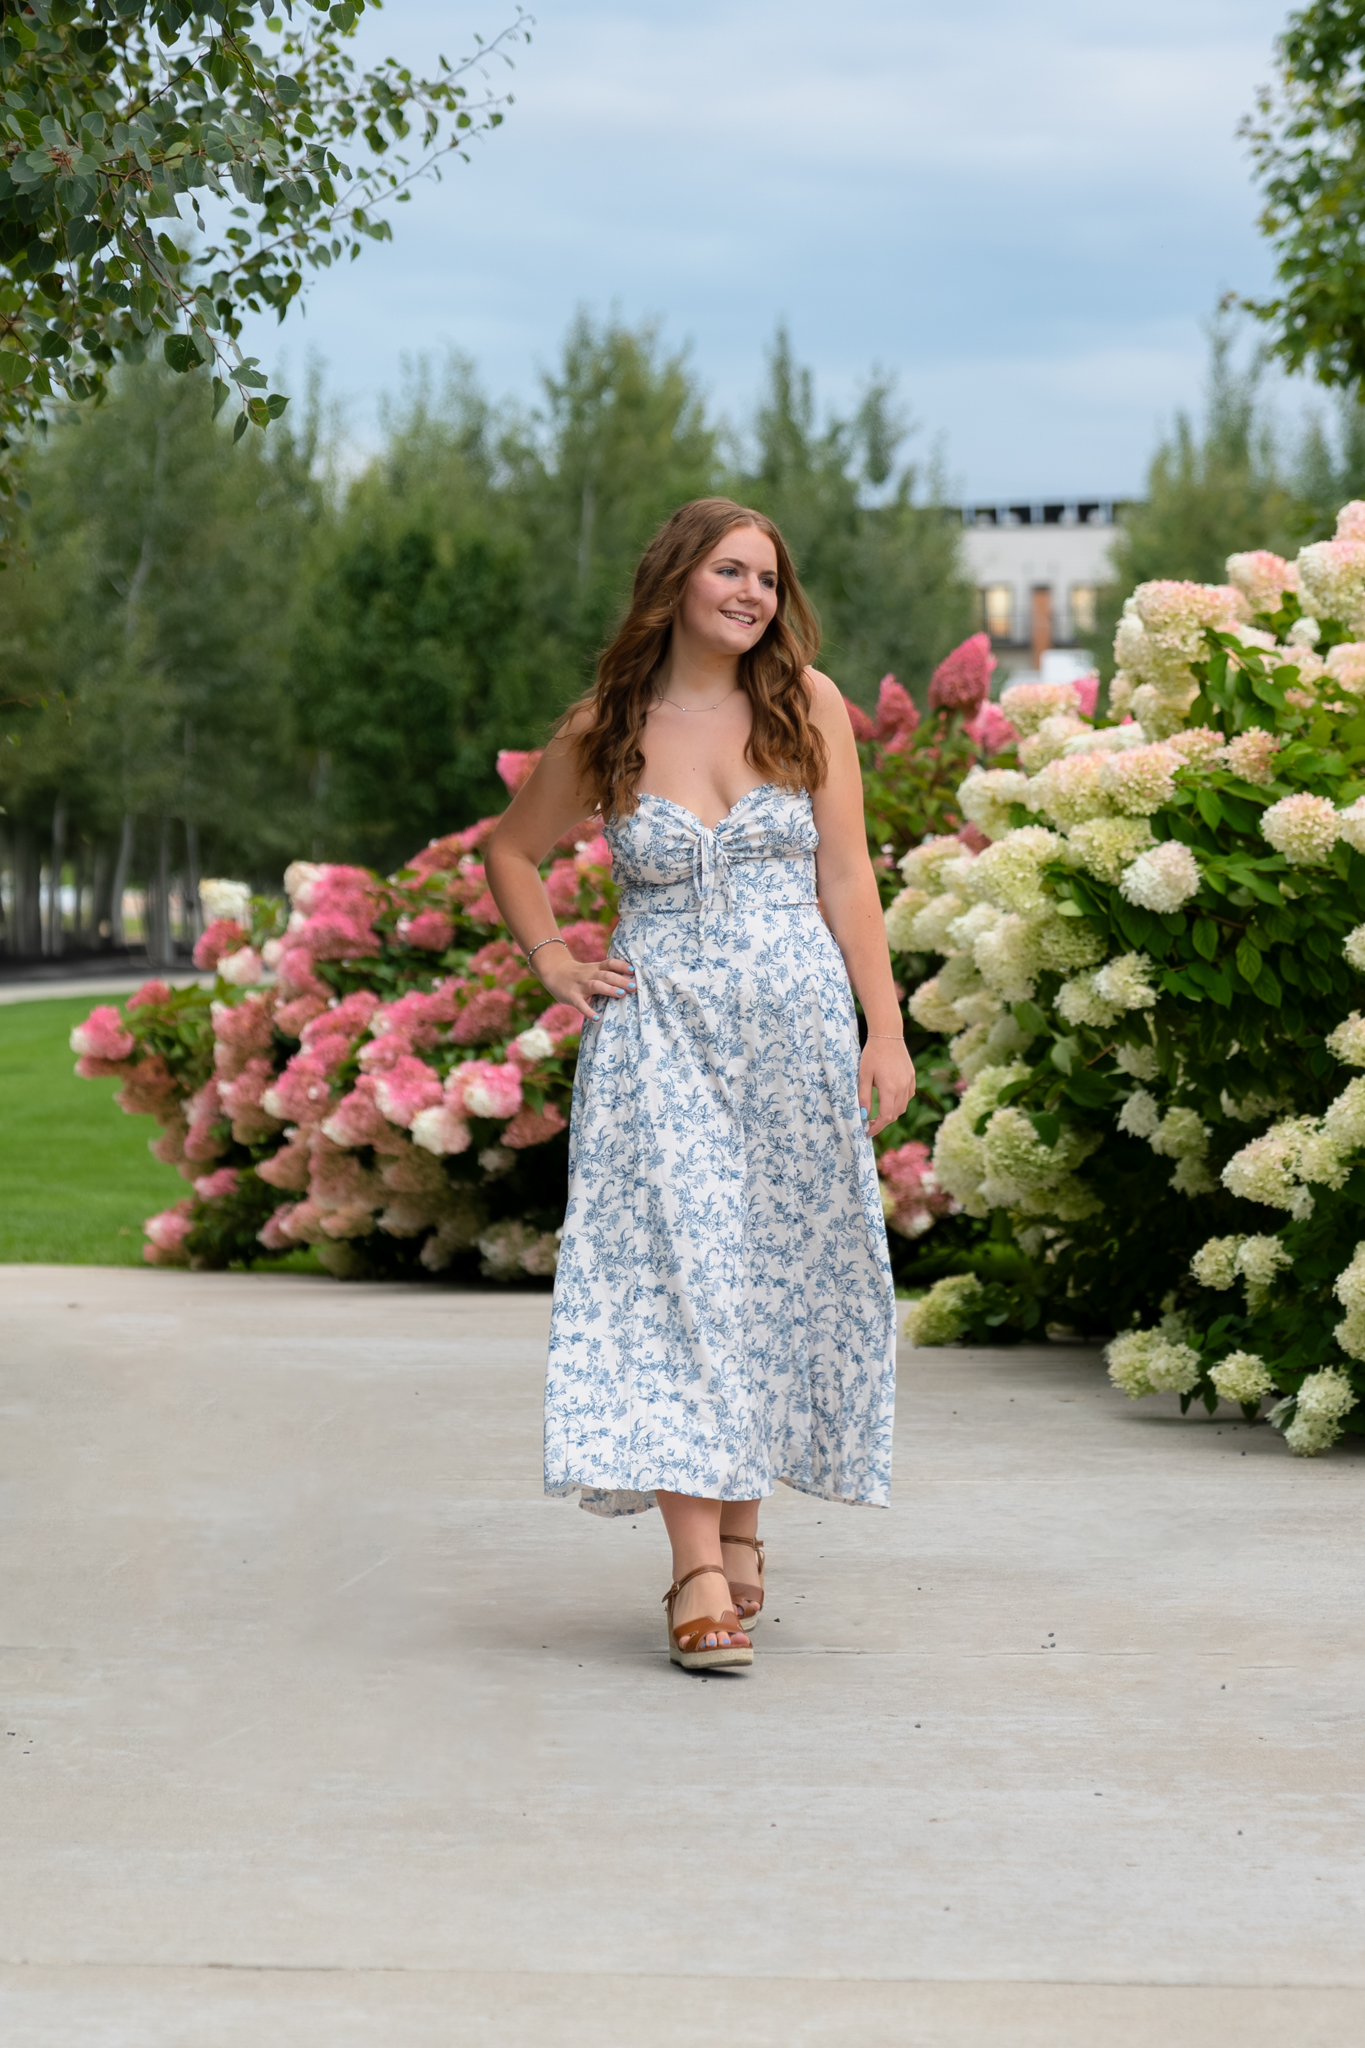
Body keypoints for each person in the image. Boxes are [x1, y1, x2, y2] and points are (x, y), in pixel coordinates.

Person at [486, 498, 913, 1671]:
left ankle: (741, 1515)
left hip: (797, 1041)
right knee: (678, 1281)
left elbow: (848, 879)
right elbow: (510, 850)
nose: (751, 595)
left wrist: (885, 1027)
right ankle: (699, 1569)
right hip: (659, 1039)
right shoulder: (610, 724)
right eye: (730, 570)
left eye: (768, 578)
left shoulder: (807, 706)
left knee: (775, 1273)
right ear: (675, 578)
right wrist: (555, 956)